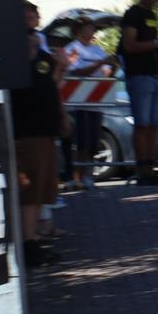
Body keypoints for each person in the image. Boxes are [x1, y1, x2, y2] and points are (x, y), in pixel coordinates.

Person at [13, 2, 69, 266]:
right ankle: (27, 243)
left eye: (33, 15)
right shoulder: (13, 47)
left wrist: (60, 67)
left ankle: (33, 239)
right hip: (27, 129)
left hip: (46, 129)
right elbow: (19, 80)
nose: (30, 19)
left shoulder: (44, 51)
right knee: (30, 189)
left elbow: (51, 85)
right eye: (25, 15)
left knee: (43, 190)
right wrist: (30, 49)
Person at [121, 0, 158, 184]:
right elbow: (129, 45)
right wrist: (157, 44)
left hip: (154, 75)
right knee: (142, 124)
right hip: (138, 75)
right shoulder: (133, 14)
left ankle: (151, 169)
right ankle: (142, 171)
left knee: (153, 125)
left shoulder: (151, 15)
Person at [61, 18, 113, 190]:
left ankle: (88, 175)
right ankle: (75, 177)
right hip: (77, 103)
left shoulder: (98, 49)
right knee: (78, 141)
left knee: (92, 141)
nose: (92, 31)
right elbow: (77, 71)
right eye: (89, 28)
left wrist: (110, 67)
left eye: (93, 28)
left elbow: (106, 72)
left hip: (95, 102)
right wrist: (100, 63)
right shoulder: (72, 49)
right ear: (79, 30)